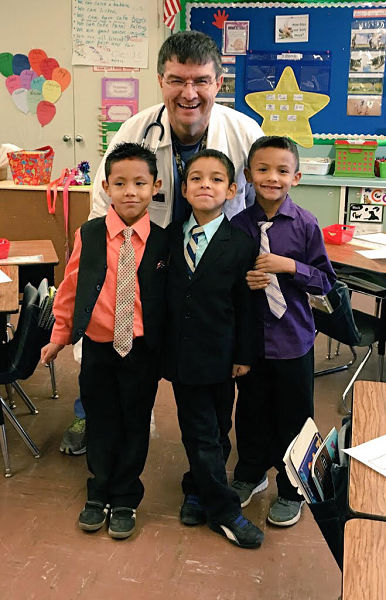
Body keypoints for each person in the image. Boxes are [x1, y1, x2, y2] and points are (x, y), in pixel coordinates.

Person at [61, 29, 264, 456]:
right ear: (161, 80)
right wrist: (106, 263)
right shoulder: (133, 132)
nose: (189, 93)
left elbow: (267, 201)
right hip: (145, 259)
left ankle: (215, 451)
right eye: (177, 80)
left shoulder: (245, 132)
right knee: (118, 342)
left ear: (218, 82)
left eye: (201, 81)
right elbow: (103, 203)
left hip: (216, 263)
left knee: (212, 356)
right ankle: (93, 413)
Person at [41, 143, 168, 539]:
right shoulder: (90, 234)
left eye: (140, 183)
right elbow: (71, 287)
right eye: (120, 183)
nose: (130, 191)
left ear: (155, 186)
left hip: (141, 351)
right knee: (100, 419)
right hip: (97, 347)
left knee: (134, 421)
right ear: (106, 188)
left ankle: (126, 495)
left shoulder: (165, 240)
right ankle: (98, 492)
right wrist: (59, 336)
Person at [230, 136, 336, 527]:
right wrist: (247, 280)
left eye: (281, 170)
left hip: (293, 339)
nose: (272, 178)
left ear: (296, 175)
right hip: (253, 342)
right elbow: (229, 283)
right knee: (252, 411)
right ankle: (251, 473)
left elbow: (326, 282)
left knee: (295, 417)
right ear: (248, 176)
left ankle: (293, 489)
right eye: (263, 170)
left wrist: (289, 266)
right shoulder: (239, 226)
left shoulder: (306, 224)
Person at [164, 148, 264, 549]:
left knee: (219, 428)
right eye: (197, 178)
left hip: (224, 356)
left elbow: (246, 307)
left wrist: (244, 355)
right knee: (200, 431)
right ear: (184, 190)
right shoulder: (169, 239)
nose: (206, 184)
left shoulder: (241, 244)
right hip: (183, 357)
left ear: (232, 189)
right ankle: (225, 511)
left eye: (216, 179)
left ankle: (195, 488)